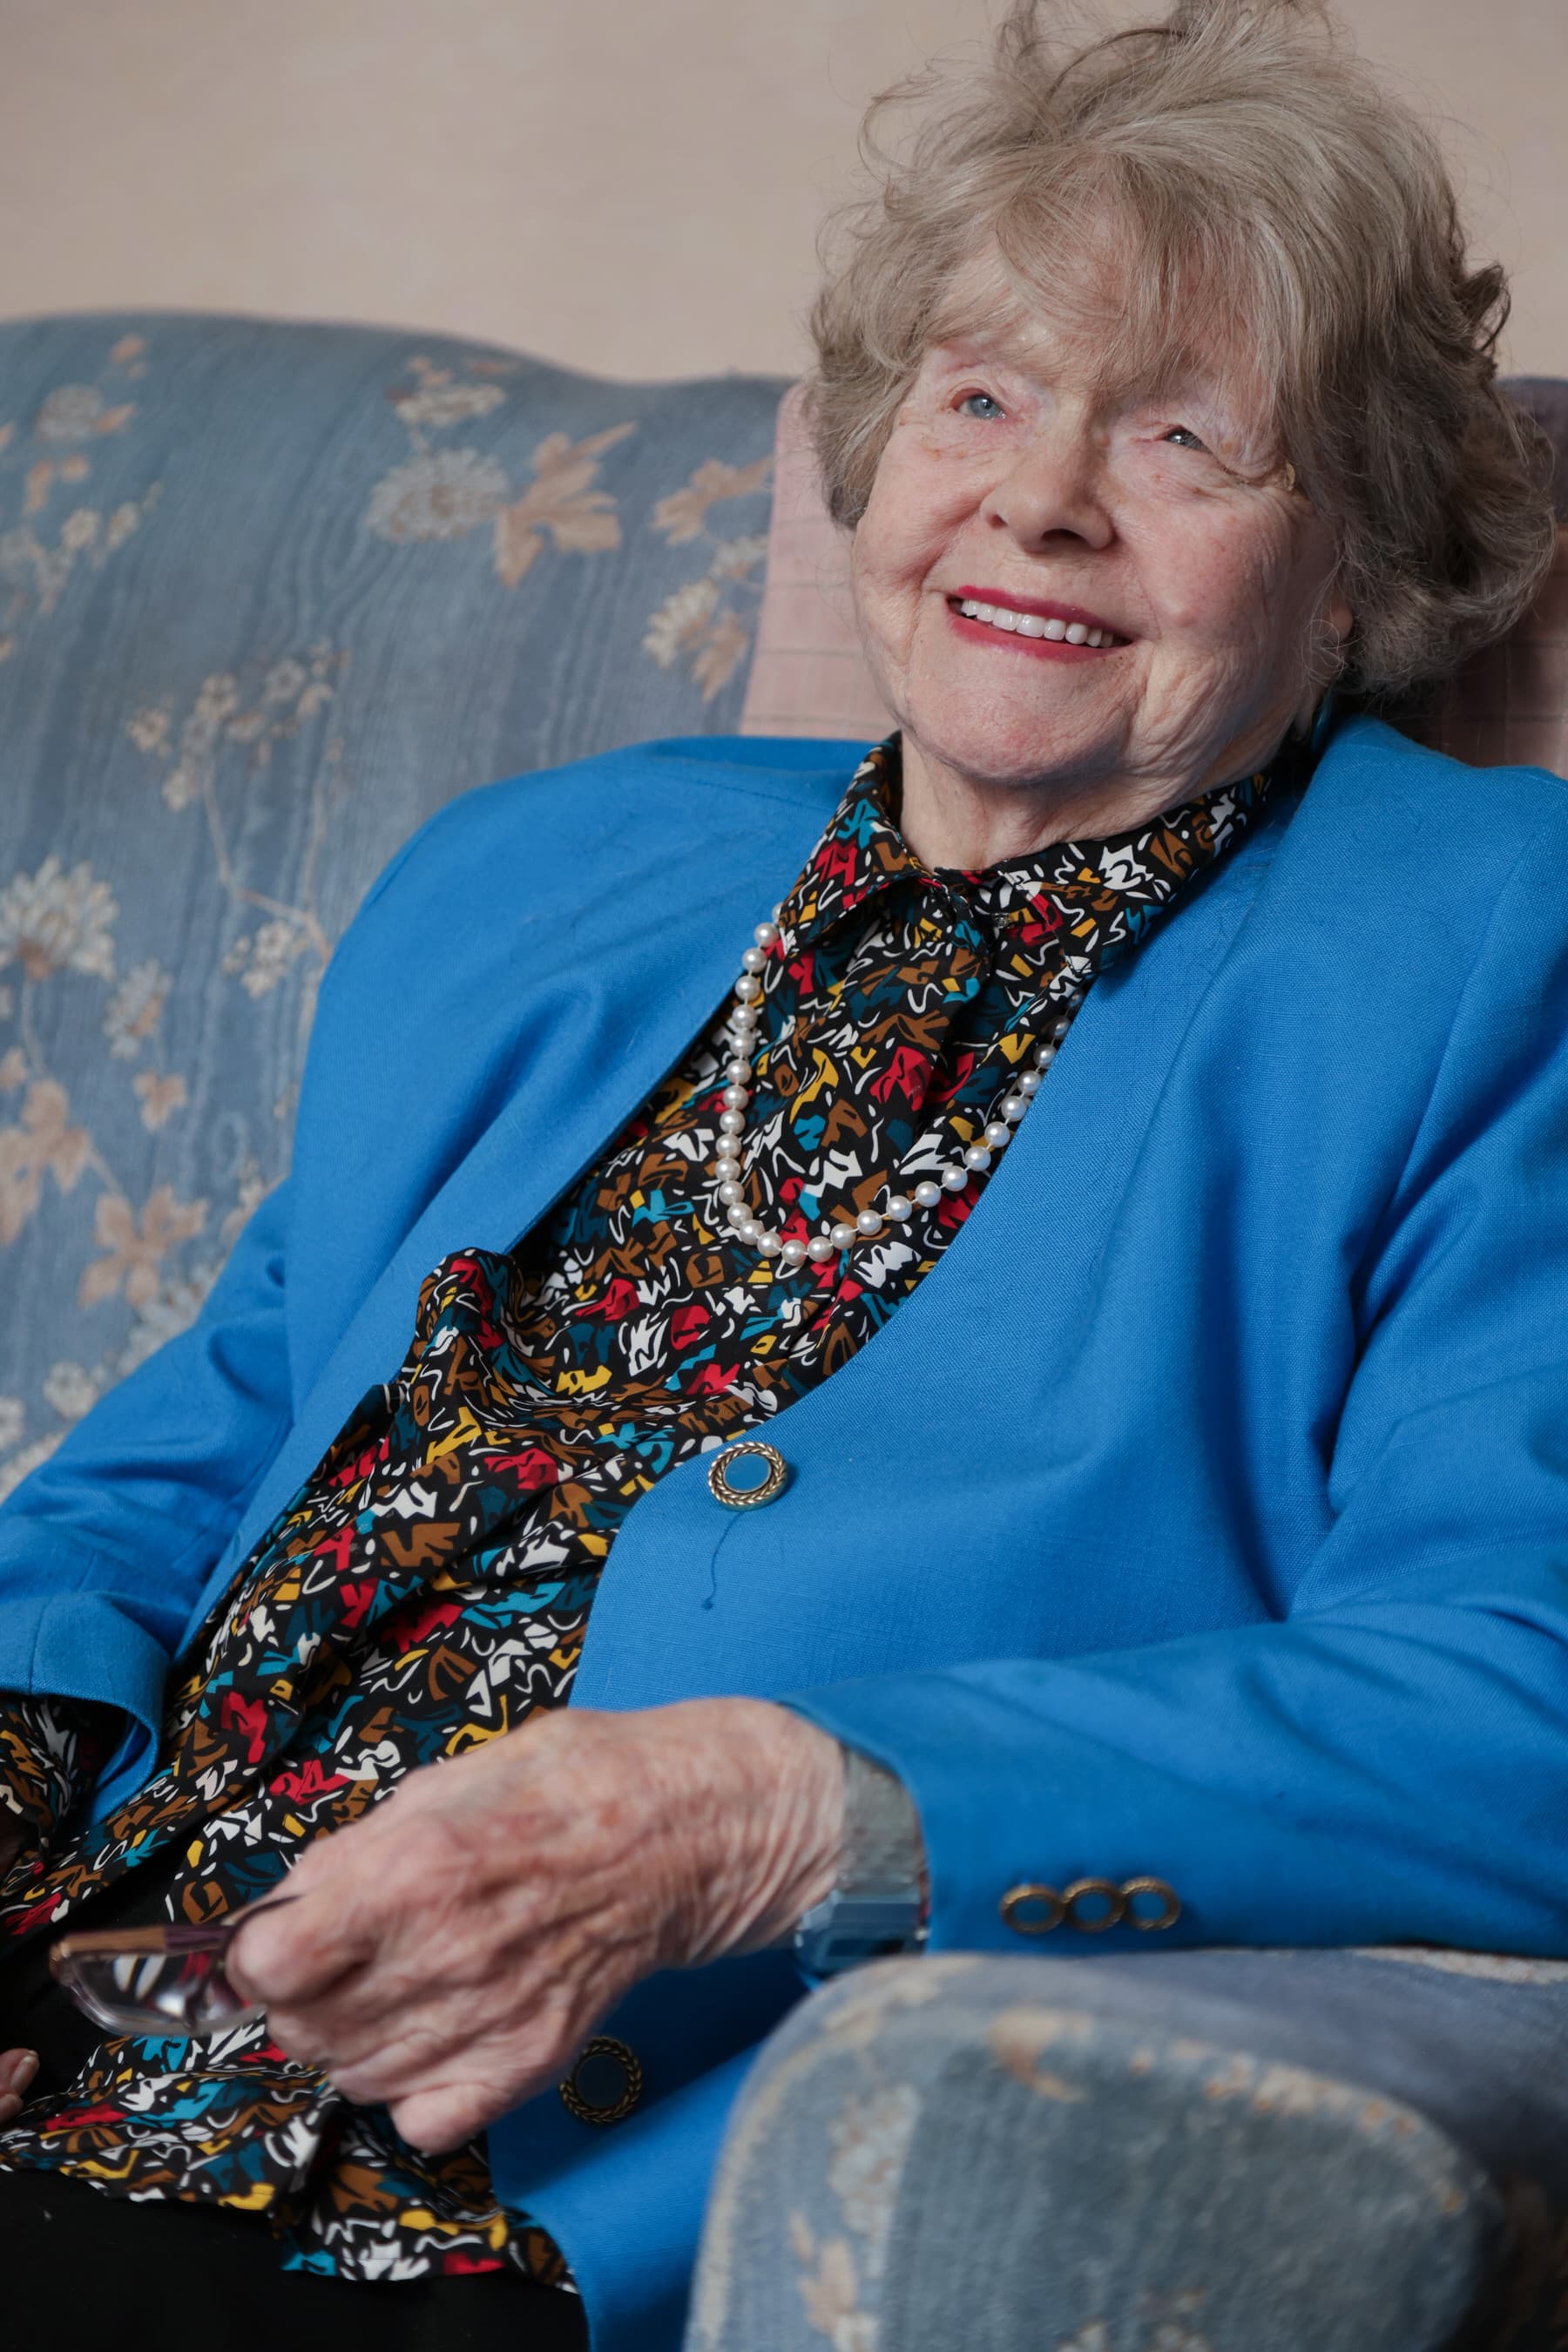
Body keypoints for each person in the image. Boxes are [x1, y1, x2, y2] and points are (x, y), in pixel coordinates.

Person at [0, 2, 1562, 2345]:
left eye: (1181, 434)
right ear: (871, 455)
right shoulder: (535, 878)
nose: (1043, 497)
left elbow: (1515, 1697)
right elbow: (203, 1440)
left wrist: (770, 1807)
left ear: (1352, 565)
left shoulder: (1475, 950)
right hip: (88, 2037)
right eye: (982, 394)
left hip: (482, 2181)